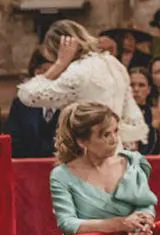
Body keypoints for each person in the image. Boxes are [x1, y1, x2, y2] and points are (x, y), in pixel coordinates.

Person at [18, 20, 148, 147]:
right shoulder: (114, 64)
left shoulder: (77, 71)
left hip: (86, 150)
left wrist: (59, 63)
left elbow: (28, 95)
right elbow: (132, 115)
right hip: (114, 147)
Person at [48, 102, 157, 235]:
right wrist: (118, 224)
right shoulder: (62, 175)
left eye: (116, 131)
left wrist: (145, 219)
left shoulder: (132, 162)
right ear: (82, 142)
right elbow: (67, 223)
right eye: (106, 135)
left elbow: (145, 204)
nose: (114, 139)